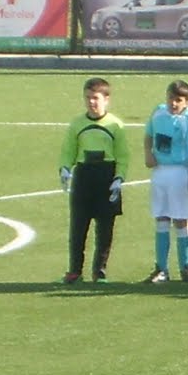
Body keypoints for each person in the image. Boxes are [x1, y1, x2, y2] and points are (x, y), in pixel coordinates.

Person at [58, 76, 129, 283]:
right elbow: (68, 150)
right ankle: (74, 271)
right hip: (83, 176)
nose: (91, 102)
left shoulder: (115, 125)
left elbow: (123, 155)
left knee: (105, 229)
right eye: (88, 97)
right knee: (78, 226)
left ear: (106, 99)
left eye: (95, 98)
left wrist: (119, 178)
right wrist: (64, 168)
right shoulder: (77, 124)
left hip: (106, 177)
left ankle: (100, 272)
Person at [143, 79, 188, 282]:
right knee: (161, 218)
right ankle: (161, 269)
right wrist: (148, 154)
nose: (173, 103)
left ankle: (186, 268)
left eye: (179, 100)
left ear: (186, 102)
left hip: (179, 172)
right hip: (160, 171)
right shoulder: (158, 112)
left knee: (180, 220)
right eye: (171, 98)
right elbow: (148, 134)